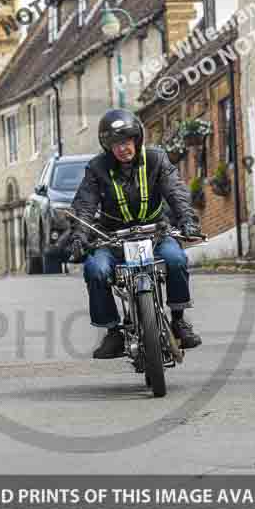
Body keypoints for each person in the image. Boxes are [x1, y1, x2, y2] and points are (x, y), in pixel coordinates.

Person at [69, 109, 202, 359]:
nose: (122, 148)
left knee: (175, 259)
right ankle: (112, 331)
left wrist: (187, 221)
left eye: (127, 141)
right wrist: (79, 237)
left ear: (136, 140)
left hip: (155, 234)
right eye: (115, 144)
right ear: (108, 147)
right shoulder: (96, 168)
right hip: (112, 240)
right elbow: (85, 205)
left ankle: (179, 321)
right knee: (95, 270)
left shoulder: (156, 159)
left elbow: (176, 192)